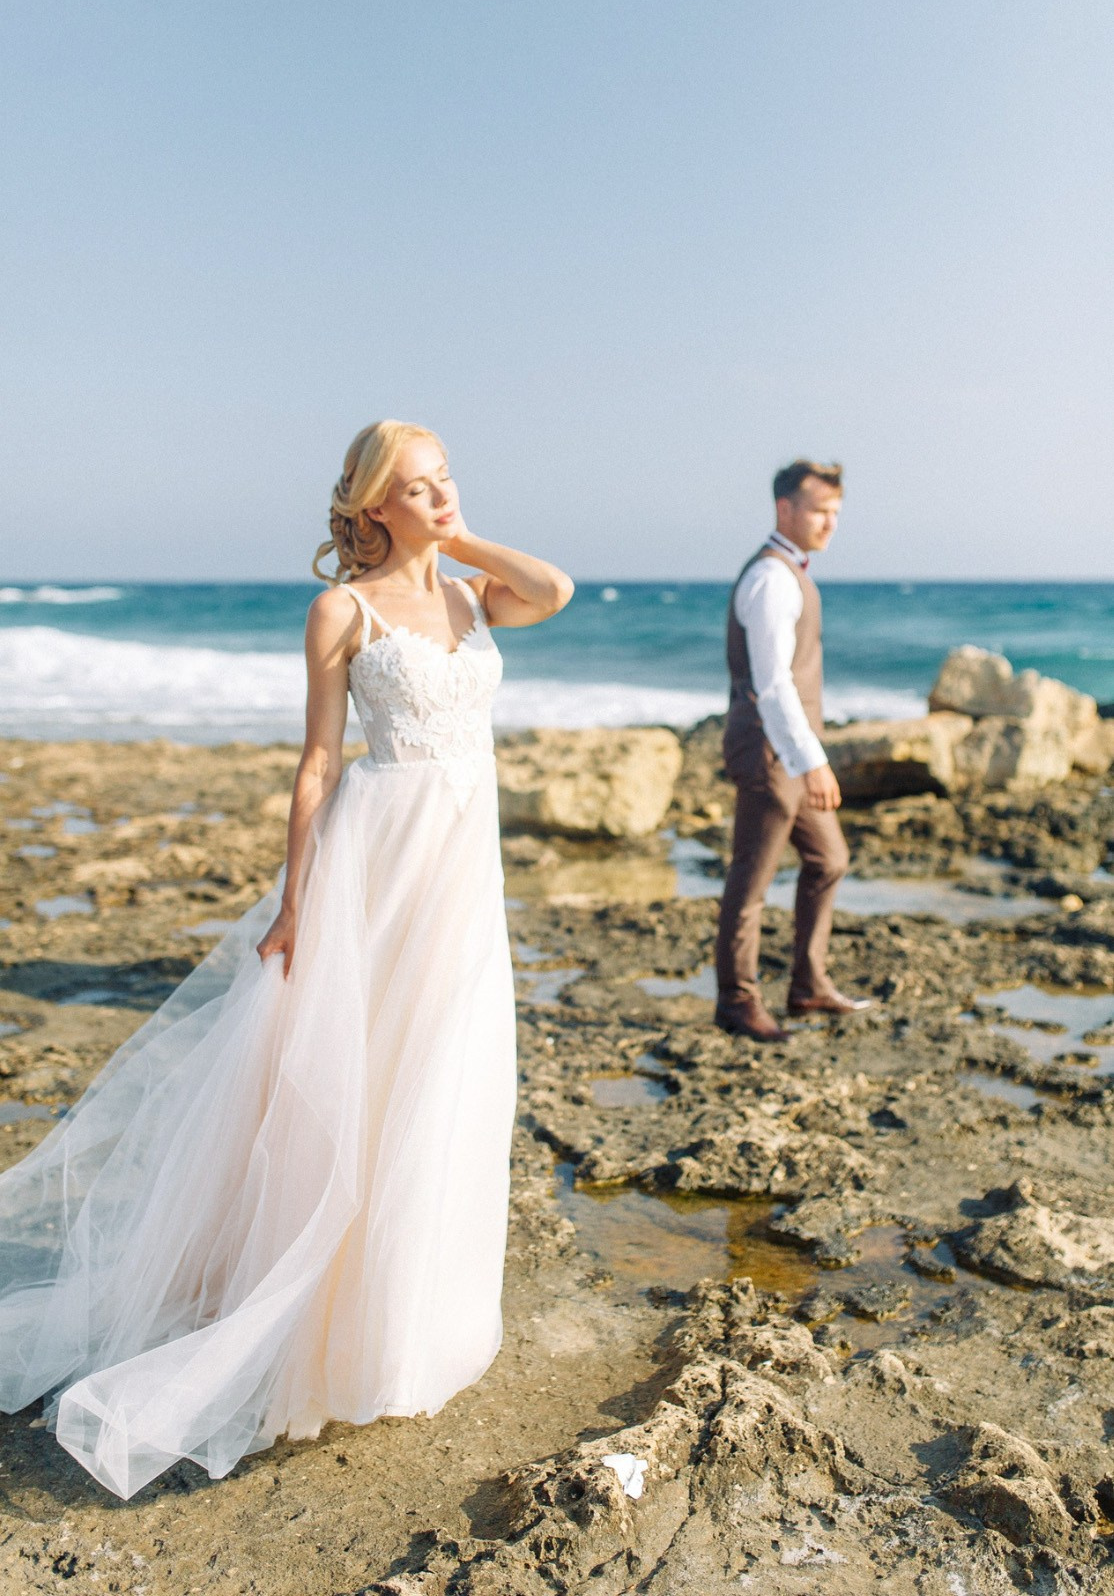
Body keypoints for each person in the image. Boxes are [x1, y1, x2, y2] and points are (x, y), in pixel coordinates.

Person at [0, 419, 574, 1499]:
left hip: (462, 872)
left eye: (446, 477)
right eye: (417, 486)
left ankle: (409, 1320)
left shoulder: (466, 596)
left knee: (443, 1077)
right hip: (379, 860)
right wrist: (296, 903)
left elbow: (554, 588)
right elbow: (316, 766)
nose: (440, 494)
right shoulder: (340, 611)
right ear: (369, 505)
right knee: (358, 1081)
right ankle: (315, 1316)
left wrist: (464, 536)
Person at [714, 458, 871, 1042]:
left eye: (836, 512)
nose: (830, 523)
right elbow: (773, 683)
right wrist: (813, 762)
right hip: (769, 753)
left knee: (829, 860)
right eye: (820, 511)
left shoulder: (792, 573)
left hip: (788, 750)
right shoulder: (771, 579)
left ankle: (807, 985)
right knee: (750, 883)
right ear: (786, 509)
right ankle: (737, 1001)